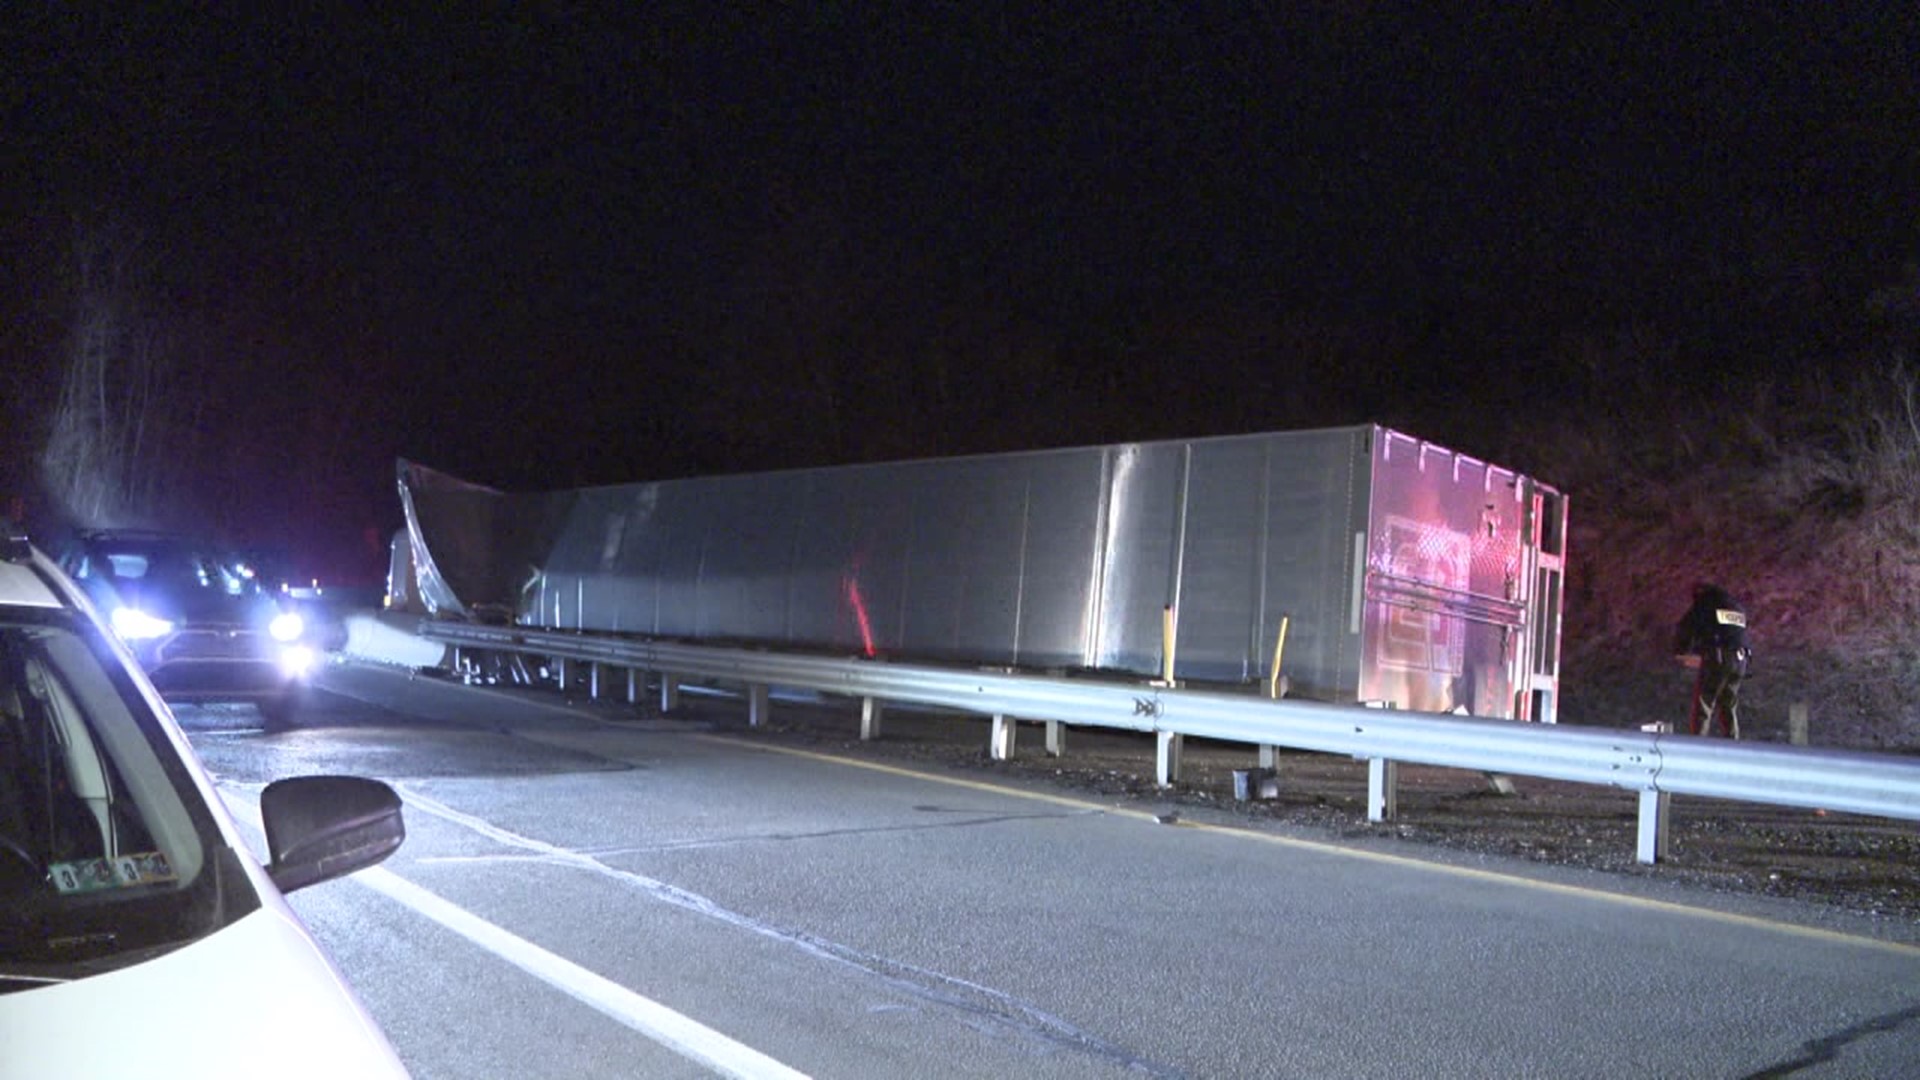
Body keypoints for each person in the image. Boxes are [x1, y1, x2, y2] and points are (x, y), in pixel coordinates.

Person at [1672, 582, 1751, 738]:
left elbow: (1686, 627)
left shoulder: (1706, 603)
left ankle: (1698, 744)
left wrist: (1680, 650)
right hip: (1741, 660)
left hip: (1719, 657)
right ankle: (1732, 742)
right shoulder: (1736, 607)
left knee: (1704, 702)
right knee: (1729, 704)